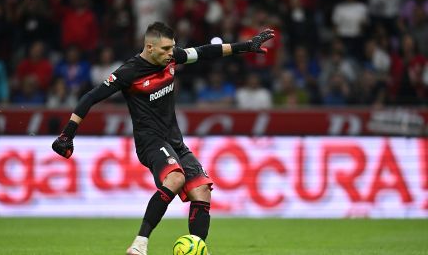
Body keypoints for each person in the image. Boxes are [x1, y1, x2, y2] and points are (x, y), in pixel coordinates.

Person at [51, 22, 274, 255]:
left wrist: (246, 46)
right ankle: (140, 243)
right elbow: (90, 97)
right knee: (176, 178)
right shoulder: (129, 72)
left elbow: (207, 51)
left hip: (175, 141)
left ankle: (196, 249)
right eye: (166, 49)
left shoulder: (172, 57)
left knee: (202, 191)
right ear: (149, 47)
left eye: (173, 48)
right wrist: (68, 134)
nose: (171, 54)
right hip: (150, 142)